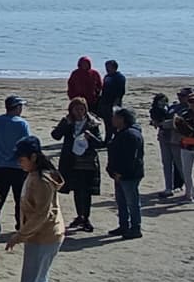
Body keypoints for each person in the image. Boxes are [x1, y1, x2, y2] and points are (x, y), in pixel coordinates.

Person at [5, 136, 65, 282]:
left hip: (43, 237)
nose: (19, 163)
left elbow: (41, 215)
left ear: (33, 157)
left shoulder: (41, 180)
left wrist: (19, 235)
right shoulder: (35, 175)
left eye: (22, 159)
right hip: (43, 236)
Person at [50, 97, 104, 233]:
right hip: (71, 162)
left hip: (87, 163)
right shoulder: (68, 122)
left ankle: (86, 217)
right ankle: (80, 216)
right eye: (76, 109)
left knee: (86, 191)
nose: (79, 112)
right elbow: (55, 135)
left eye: (82, 109)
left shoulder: (93, 123)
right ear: (71, 110)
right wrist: (65, 124)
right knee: (76, 190)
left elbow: (100, 143)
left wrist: (90, 137)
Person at [0, 95, 31, 228]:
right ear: (16, 108)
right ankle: (21, 224)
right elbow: (26, 144)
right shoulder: (21, 123)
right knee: (20, 199)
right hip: (18, 167)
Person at [106, 108, 144, 239]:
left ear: (122, 119)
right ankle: (124, 226)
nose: (112, 120)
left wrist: (121, 173)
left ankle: (135, 228)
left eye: (115, 117)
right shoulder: (121, 132)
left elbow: (130, 158)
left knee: (132, 202)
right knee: (121, 202)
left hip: (129, 175)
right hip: (120, 174)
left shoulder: (130, 135)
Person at [149, 93, 184, 196]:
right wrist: (156, 122)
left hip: (175, 139)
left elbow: (177, 122)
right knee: (166, 164)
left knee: (180, 164)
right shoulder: (172, 107)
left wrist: (162, 123)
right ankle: (169, 188)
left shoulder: (184, 108)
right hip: (164, 138)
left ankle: (189, 188)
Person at [98, 59, 126, 142]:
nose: (107, 69)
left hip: (114, 103)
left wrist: (116, 103)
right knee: (107, 122)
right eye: (106, 67)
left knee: (114, 122)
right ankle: (108, 139)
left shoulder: (120, 77)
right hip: (105, 102)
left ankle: (116, 138)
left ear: (114, 67)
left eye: (109, 67)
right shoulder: (107, 76)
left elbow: (121, 92)